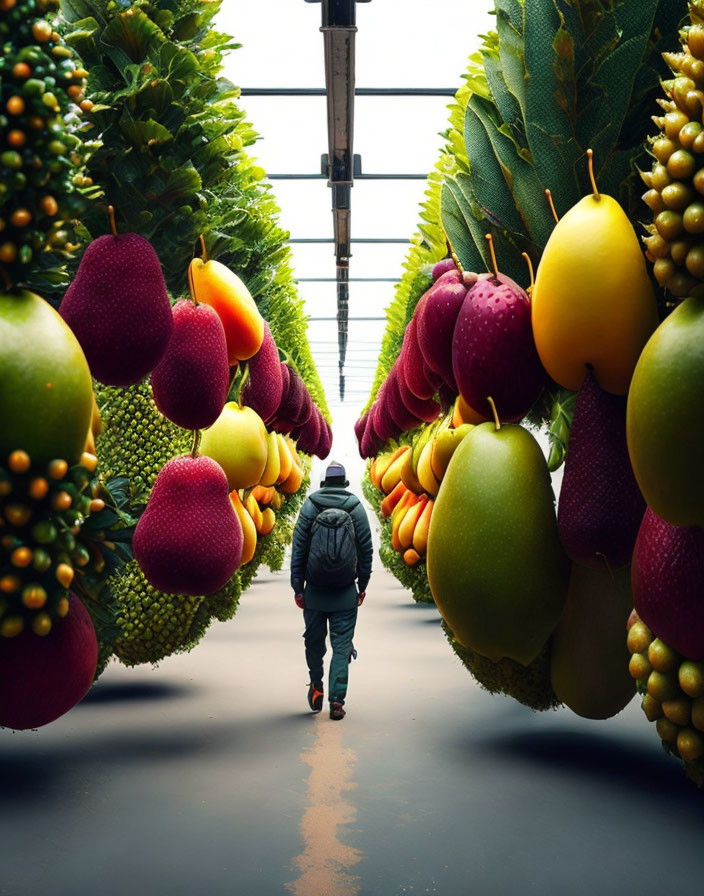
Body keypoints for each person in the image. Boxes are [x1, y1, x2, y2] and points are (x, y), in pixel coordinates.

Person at [290, 461, 373, 720]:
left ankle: (316, 685)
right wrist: (362, 585)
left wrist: (298, 588)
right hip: (345, 593)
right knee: (341, 647)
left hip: (315, 593)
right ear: (344, 483)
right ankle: (337, 702)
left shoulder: (311, 506)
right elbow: (366, 551)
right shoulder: (356, 508)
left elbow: (299, 551)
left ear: (325, 483)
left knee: (314, 644)